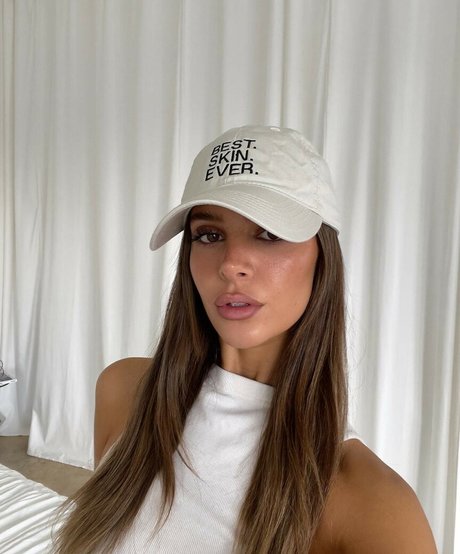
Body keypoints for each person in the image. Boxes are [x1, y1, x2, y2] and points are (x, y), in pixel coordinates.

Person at [52, 125, 438, 553]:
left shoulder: (371, 504)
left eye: (269, 233)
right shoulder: (124, 391)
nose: (231, 263)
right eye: (209, 235)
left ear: (322, 257)